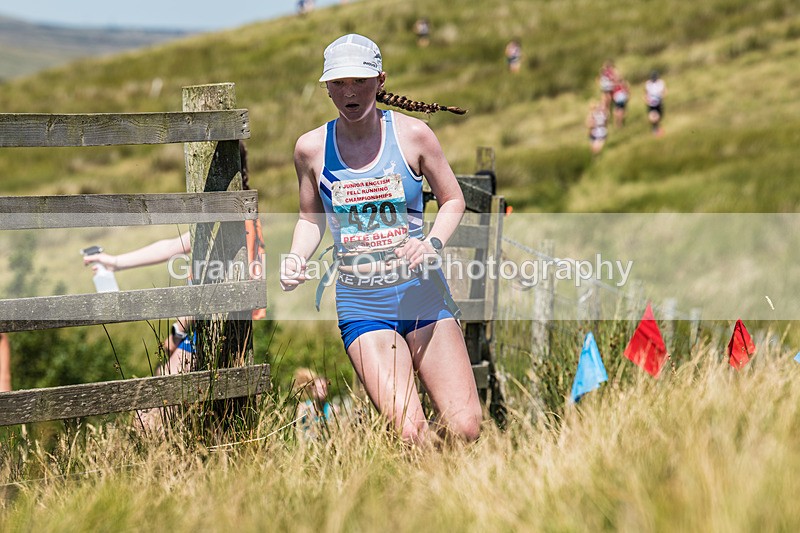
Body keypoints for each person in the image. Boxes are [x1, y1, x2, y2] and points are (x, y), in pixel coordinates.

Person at [280, 34, 481, 445]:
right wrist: (297, 256)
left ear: (380, 80)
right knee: (410, 433)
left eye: (360, 81)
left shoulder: (414, 135)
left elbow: (453, 200)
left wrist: (431, 244)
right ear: (327, 87)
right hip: (363, 304)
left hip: (423, 295)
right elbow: (310, 219)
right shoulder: (311, 149)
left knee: (465, 427)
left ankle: (449, 477)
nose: (349, 92)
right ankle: (428, 481)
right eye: (338, 83)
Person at [83, 141, 266, 377]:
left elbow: (210, 286)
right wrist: (115, 262)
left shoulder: (226, 224)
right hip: (226, 323)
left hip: (213, 325)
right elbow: (172, 247)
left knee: (162, 391)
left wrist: (177, 332)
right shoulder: (246, 217)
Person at [293, 367, 339, 439]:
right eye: (319, 388)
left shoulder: (333, 410)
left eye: (323, 388)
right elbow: (296, 429)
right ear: (312, 389)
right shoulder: (303, 408)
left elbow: (336, 432)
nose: (321, 390)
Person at [645, 70, 667, 136]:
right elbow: (646, 93)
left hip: (659, 102)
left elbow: (665, 91)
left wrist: (662, 96)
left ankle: (657, 128)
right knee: (652, 116)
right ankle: (655, 128)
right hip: (651, 103)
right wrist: (647, 100)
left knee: (658, 116)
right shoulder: (648, 84)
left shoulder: (660, 83)